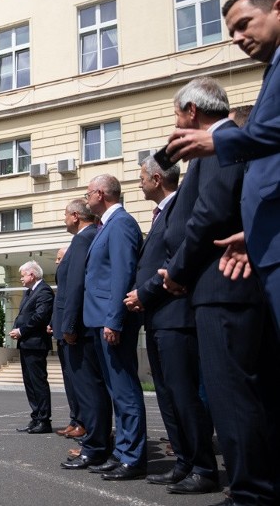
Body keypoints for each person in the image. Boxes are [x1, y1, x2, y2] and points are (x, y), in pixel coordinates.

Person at [159, 77, 276, 504]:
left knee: (232, 395)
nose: (175, 123)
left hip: (221, 284)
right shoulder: (222, 145)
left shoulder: (219, 145)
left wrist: (177, 270)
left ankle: (250, 492)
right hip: (225, 283)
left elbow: (208, 214)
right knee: (247, 392)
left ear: (191, 111)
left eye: (176, 114)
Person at [164, 0, 280, 336]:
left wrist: (217, 139)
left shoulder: (217, 142)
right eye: (232, 32)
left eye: (244, 23)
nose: (237, 37)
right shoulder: (271, 70)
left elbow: (269, 136)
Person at [124, 156, 219, 494]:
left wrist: (143, 293)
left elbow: (173, 261)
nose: (139, 183)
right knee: (167, 395)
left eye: (141, 178)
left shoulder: (180, 206)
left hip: (176, 315)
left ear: (156, 178)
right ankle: (184, 461)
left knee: (185, 395)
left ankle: (204, 467)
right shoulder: (163, 212)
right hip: (159, 317)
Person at [81, 174, 145, 481]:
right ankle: (122, 452)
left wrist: (115, 319)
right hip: (101, 319)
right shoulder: (108, 225)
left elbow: (123, 272)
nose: (86, 197)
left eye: (88, 192)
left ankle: (133, 457)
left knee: (125, 390)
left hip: (111, 320)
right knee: (115, 391)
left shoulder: (120, 223)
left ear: (101, 194)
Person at [57, 200, 113, 471]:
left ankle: (94, 447)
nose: (64, 219)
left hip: (80, 329)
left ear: (76, 216)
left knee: (89, 391)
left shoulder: (83, 239)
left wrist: (68, 326)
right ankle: (95, 443)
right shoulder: (93, 236)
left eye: (65, 215)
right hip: (88, 325)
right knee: (93, 390)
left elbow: (75, 285)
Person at [10, 261, 54, 434]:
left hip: (36, 344)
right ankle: (36, 417)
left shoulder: (44, 291)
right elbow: (23, 314)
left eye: (23, 275)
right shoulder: (29, 292)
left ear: (32, 275)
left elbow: (40, 316)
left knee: (38, 382)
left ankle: (44, 420)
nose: (21, 278)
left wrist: (21, 330)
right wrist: (16, 329)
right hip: (26, 344)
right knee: (30, 383)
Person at [51, 247, 83, 439]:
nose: (56, 262)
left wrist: (67, 326)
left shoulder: (71, 274)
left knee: (77, 382)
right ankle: (75, 419)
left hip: (71, 334)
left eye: (59, 258)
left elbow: (71, 301)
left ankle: (82, 422)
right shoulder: (62, 279)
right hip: (61, 334)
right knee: (69, 382)